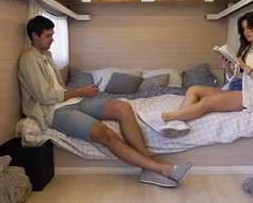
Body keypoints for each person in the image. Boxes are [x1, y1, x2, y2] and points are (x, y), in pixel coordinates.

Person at [18, 16, 191, 188]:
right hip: (53, 112)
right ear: (34, 36)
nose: (53, 39)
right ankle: (162, 169)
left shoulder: (46, 55)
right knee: (106, 134)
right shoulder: (28, 60)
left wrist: (81, 93)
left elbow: (58, 88)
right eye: (48, 36)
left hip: (71, 100)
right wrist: (80, 91)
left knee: (123, 107)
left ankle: (148, 170)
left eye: (53, 34)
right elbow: (44, 97)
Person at [161, 11, 253, 123]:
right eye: (243, 28)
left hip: (251, 96)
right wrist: (227, 67)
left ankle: (171, 117)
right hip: (238, 89)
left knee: (206, 102)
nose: (246, 31)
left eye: (249, 27)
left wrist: (244, 66)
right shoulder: (247, 50)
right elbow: (239, 77)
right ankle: (178, 122)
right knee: (193, 89)